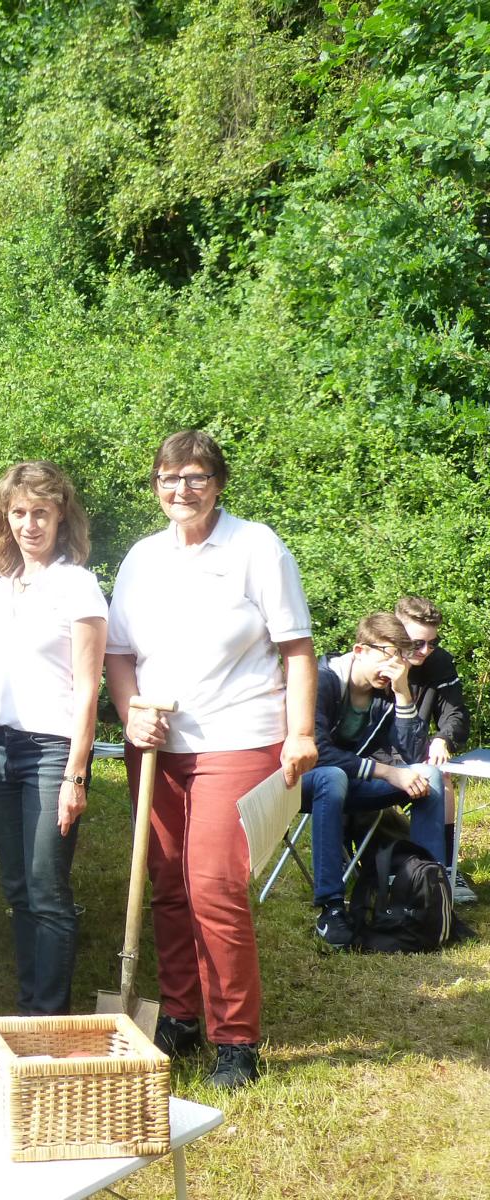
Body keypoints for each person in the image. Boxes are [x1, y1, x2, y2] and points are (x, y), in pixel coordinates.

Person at [104, 430, 317, 1090]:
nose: (182, 490)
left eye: (195, 477)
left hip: (237, 736)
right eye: (169, 478)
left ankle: (235, 1038)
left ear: (219, 483)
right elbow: (118, 654)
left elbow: (298, 649)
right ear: (155, 485)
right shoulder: (142, 558)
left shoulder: (256, 546)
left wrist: (301, 732)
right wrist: (131, 708)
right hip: (158, 748)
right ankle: (180, 1014)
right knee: (167, 882)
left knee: (214, 887)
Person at [0, 461, 105, 1019]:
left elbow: (89, 689)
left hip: (50, 753)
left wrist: (76, 773)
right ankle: (27, 1012)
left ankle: (48, 1019)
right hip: (0, 752)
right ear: (4, 519)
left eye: (40, 512)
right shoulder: (2, 588)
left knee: (46, 891)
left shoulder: (77, 585)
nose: (29, 524)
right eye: (18, 513)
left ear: (61, 515)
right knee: (17, 889)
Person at [300, 613, 448, 949]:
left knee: (430, 775)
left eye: (400, 658)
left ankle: (430, 894)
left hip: (352, 785)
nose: (393, 667)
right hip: (305, 785)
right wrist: (386, 772)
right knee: (332, 775)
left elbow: (412, 757)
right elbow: (317, 752)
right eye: (386, 654)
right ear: (359, 650)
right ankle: (331, 908)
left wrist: (403, 695)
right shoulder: (322, 680)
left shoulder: (385, 693)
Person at [395, 596, 475, 905]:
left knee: (441, 776)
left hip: (415, 753)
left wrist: (443, 738)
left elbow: (456, 714)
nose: (426, 651)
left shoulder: (439, 661)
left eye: (432, 642)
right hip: (371, 757)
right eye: (417, 643)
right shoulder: (375, 662)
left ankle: (445, 868)